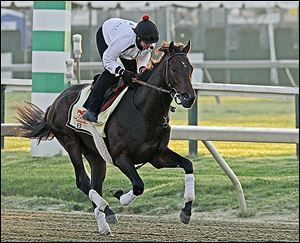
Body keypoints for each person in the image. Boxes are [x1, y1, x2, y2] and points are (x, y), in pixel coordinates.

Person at [82, 14, 159, 122]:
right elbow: (108, 60)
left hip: (126, 48)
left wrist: (142, 69)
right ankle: (91, 109)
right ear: (138, 38)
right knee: (111, 74)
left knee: (134, 78)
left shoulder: (150, 43)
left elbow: (144, 57)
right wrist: (121, 71)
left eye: (150, 43)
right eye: (146, 43)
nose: (148, 46)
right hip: (106, 35)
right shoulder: (124, 40)